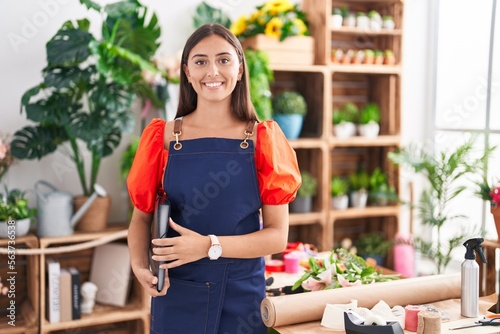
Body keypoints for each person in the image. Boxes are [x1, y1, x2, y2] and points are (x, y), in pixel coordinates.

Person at [127, 23, 301, 334]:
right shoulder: (162, 138)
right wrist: (141, 268)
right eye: (200, 61)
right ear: (187, 72)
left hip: (243, 299)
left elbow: (277, 237)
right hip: (176, 292)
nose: (212, 71)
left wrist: (209, 246)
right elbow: (141, 218)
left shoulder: (263, 139)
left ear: (239, 68)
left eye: (223, 60)